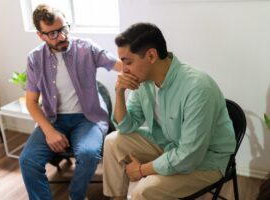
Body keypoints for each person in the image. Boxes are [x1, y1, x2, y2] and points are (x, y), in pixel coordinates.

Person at [103, 22, 237, 200]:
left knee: (143, 190)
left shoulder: (198, 88)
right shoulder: (144, 82)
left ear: (151, 55)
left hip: (206, 160)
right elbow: (126, 127)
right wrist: (119, 93)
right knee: (113, 140)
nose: (123, 69)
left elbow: (189, 156)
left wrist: (142, 170)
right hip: (168, 143)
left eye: (128, 62)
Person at [19, 4, 121, 200]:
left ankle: (76, 196)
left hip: (88, 117)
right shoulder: (34, 59)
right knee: (28, 161)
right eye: (52, 34)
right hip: (53, 119)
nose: (62, 37)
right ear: (40, 35)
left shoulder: (87, 48)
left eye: (64, 29)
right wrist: (49, 131)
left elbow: (119, 64)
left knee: (89, 154)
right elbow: (31, 102)